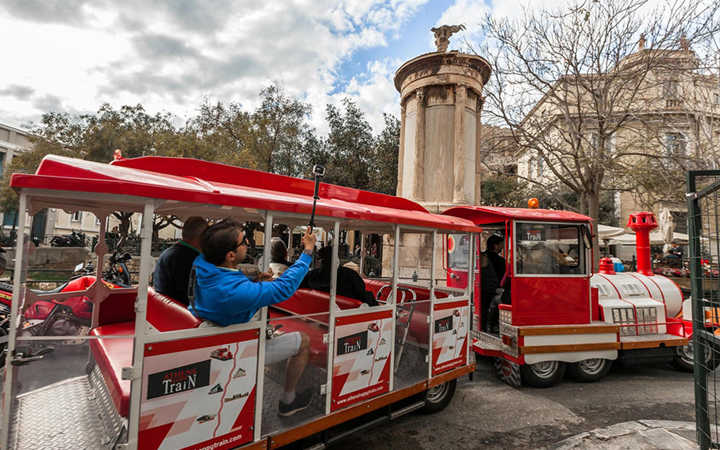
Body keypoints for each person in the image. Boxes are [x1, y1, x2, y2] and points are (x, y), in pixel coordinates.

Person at [190, 219, 317, 416]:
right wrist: (307, 252)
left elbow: (229, 279)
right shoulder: (231, 292)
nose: (248, 243)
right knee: (304, 341)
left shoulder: (204, 266)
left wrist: (253, 282)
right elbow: (283, 288)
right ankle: (288, 401)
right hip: (236, 349)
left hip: (221, 337)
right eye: (244, 242)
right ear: (230, 255)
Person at [152, 216, 208, 306]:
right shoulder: (191, 259)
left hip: (164, 309)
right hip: (180, 313)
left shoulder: (168, 252)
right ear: (203, 237)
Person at [301, 246, 378, 306]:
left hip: (316, 312)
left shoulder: (312, 275)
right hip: (345, 314)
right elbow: (361, 291)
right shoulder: (350, 275)